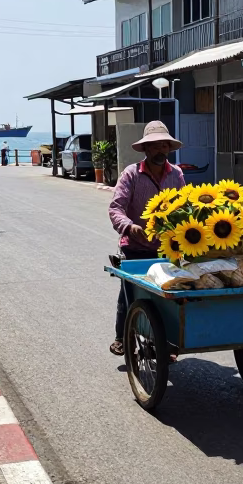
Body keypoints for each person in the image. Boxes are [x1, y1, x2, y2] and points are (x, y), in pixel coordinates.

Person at [107, 121, 185, 356]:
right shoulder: (131, 174)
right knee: (130, 294)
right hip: (136, 247)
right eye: (154, 146)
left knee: (169, 296)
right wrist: (130, 227)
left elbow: (184, 207)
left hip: (167, 247)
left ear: (169, 148)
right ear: (146, 150)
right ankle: (122, 336)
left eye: (164, 145)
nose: (160, 150)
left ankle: (167, 342)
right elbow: (115, 208)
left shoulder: (177, 174)